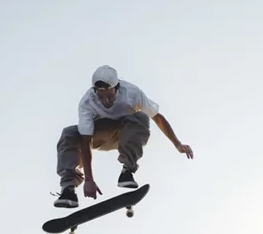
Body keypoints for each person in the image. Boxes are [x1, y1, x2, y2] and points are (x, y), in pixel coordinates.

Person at [54, 65, 193, 208]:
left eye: (110, 96)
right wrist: (89, 179)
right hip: (100, 135)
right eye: (101, 97)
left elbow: (157, 118)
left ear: (117, 88)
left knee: (140, 117)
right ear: (95, 92)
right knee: (69, 134)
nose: (106, 101)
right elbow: (85, 141)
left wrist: (177, 144)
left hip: (127, 133)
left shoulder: (132, 93)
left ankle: (127, 170)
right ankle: (68, 189)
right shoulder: (87, 102)